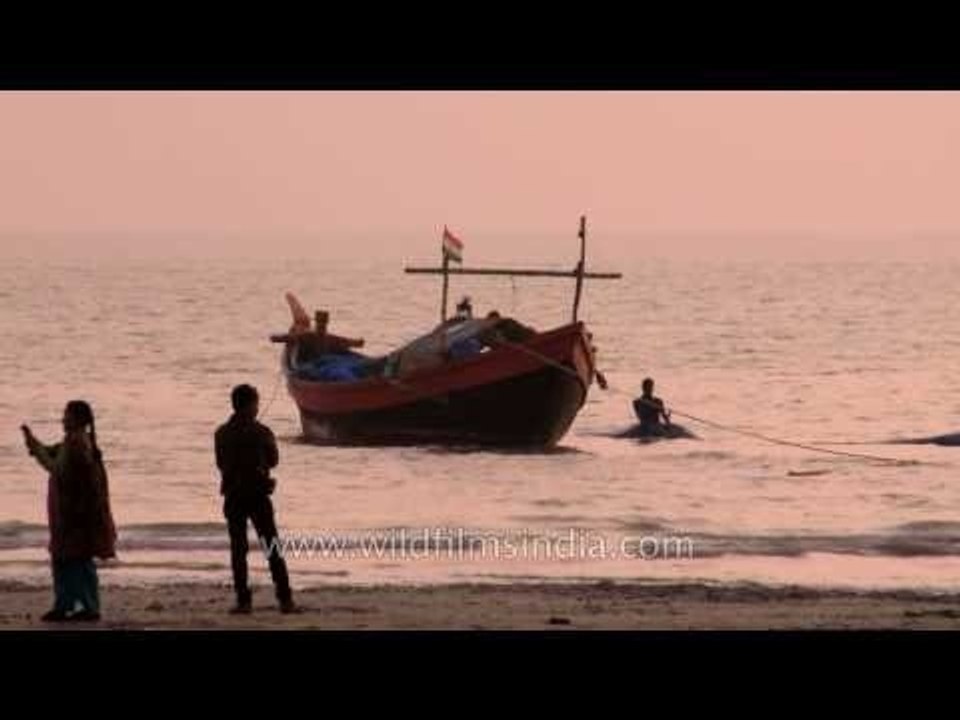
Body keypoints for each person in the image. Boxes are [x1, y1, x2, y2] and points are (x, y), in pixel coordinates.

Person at [22, 400, 117, 622]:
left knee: (74, 559)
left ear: (78, 419)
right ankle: (73, 605)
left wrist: (36, 448)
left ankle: (83, 607)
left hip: (74, 513)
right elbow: (49, 453)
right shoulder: (75, 441)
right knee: (69, 558)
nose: (63, 418)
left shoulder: (76, 444)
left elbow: (55, 468)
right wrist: (33, 442)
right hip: (72, 512)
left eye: (67, 415)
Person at [214, 384, 297, 614]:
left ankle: (243, 601)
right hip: (258, 495)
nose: (257, 407)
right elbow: (273, 461)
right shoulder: (262, 432)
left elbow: (221, 464)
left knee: (238, 551)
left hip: (233, 496)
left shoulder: (221, 433)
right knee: (272, 548)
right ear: (250, 405)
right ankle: (285, 599)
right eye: (256, 403)